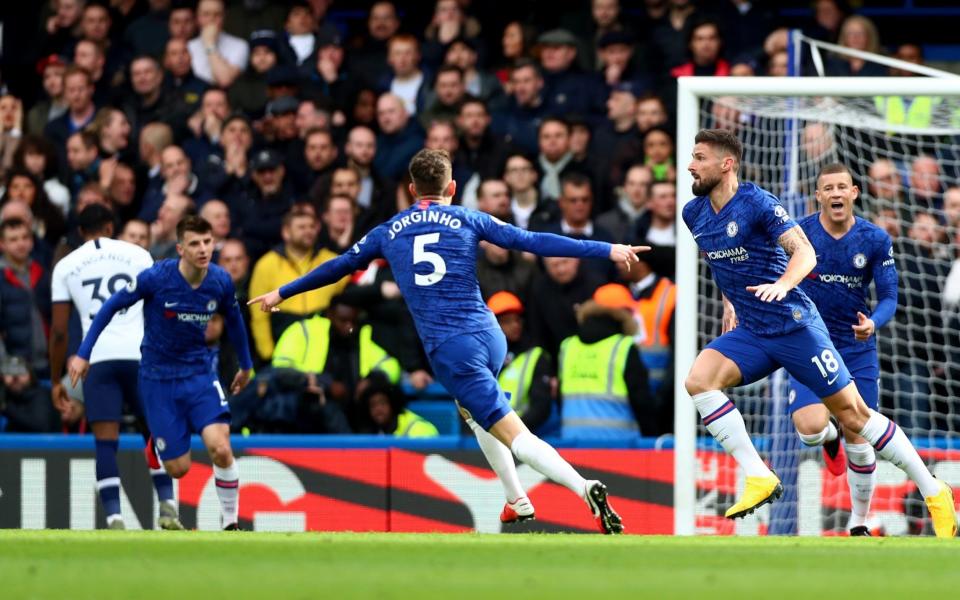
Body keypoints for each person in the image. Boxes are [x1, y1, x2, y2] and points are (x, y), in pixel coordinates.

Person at [250, 148, 648, 534]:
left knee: (513, 433)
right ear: (452, 187)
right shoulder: (469, 218)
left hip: (453, 347)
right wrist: (607, 248)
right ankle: (516, 499)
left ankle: (583, 489)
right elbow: (533, 241)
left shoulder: (388, 231)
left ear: (411, 189)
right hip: (489, 333)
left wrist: (282, 292)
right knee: (474, 413)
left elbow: (338, 267)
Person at [682, 128, 956, 536]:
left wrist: (784, 285)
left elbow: (804, 252)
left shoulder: (757, 203)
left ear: (727, 164)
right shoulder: (694, 213)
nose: (690, 165)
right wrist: (728, 302)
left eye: (699, 158)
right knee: (698, 381)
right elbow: (722, 262)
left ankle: (934, 491)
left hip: (794, 326)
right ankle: (758, 475)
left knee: (856, 417)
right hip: (754, 330)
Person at [69, 216, 254, 531]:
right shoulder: (156, 278)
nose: (203, 249)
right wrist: (84, 354)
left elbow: (235, 322)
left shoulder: (220, 282)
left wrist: (246, 365)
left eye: (207, 242)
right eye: (195, 243)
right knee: (178, 469)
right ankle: (156, 443)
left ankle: (231, 524)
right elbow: (111, 306)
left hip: (198, 372)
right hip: (157, 378)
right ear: (181, 248)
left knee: (220, 447)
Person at [48, 205, 182, 530]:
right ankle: (168, 506)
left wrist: (56, 380)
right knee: (155, 434)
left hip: (97, 361)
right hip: (141, 358)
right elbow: (160, 307)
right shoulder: (137, 254)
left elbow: (60, 331)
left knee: (106, 442)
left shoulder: (65, 266)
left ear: (81, 232)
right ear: (110, 226)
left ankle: (114, 518)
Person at [787, 163, 898, 536]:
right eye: (827, 188)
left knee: (861, 435)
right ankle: (828, 439)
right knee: (810, 428)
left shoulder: (875, 239)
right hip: (810, 344)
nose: (835, 193)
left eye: (842, 187)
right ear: (817, 195)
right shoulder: (799, 234)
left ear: (854, 193)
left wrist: (874, 323)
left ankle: (859, 521)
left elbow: (889, 298)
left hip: (855, 346)